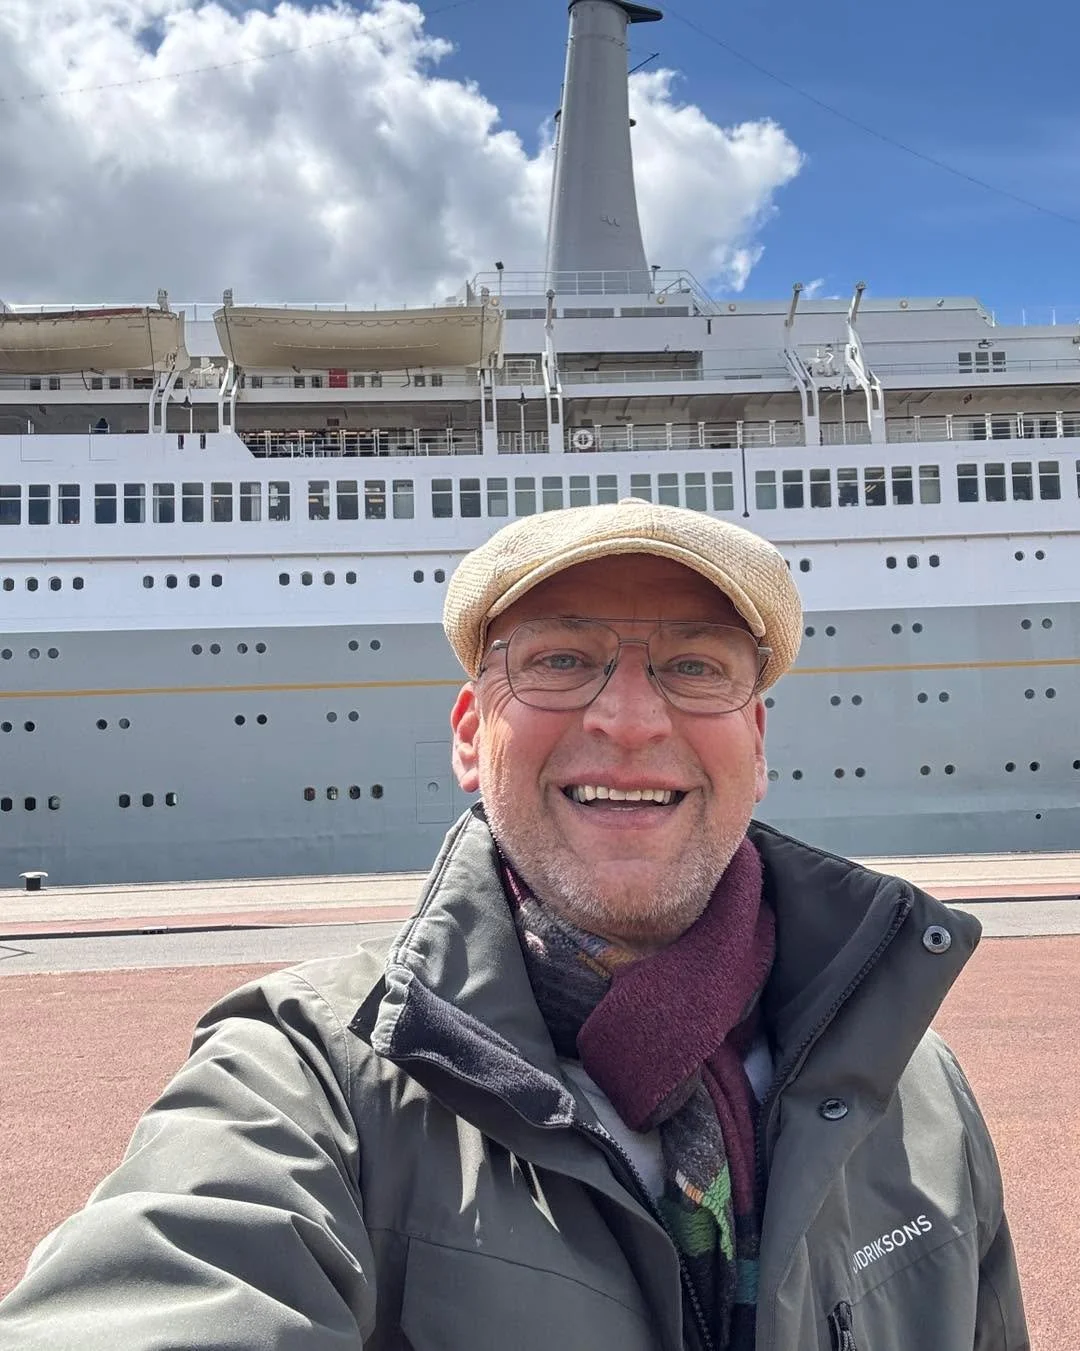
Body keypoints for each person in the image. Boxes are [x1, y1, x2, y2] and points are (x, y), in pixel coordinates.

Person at [0, 499, 1027, 1350]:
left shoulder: (920, 1087)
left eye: (698, 666)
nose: (629, 719)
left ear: (757, 744)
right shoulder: (313, 1079)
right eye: (560, 659)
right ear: (468, 733)